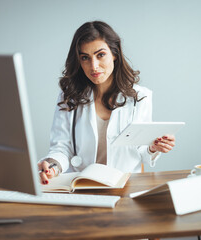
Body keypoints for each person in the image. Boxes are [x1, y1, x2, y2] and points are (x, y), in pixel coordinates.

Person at [38, 21, 175, 184]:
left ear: (114, 53)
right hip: (81, 185)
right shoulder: (69, 97)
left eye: (100, 55)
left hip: (124, 184)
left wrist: (155, 147)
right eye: (85, 58)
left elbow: (143, 151)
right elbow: (61, 148)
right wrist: (53, 166)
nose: (94, 66)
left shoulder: (140, 97)